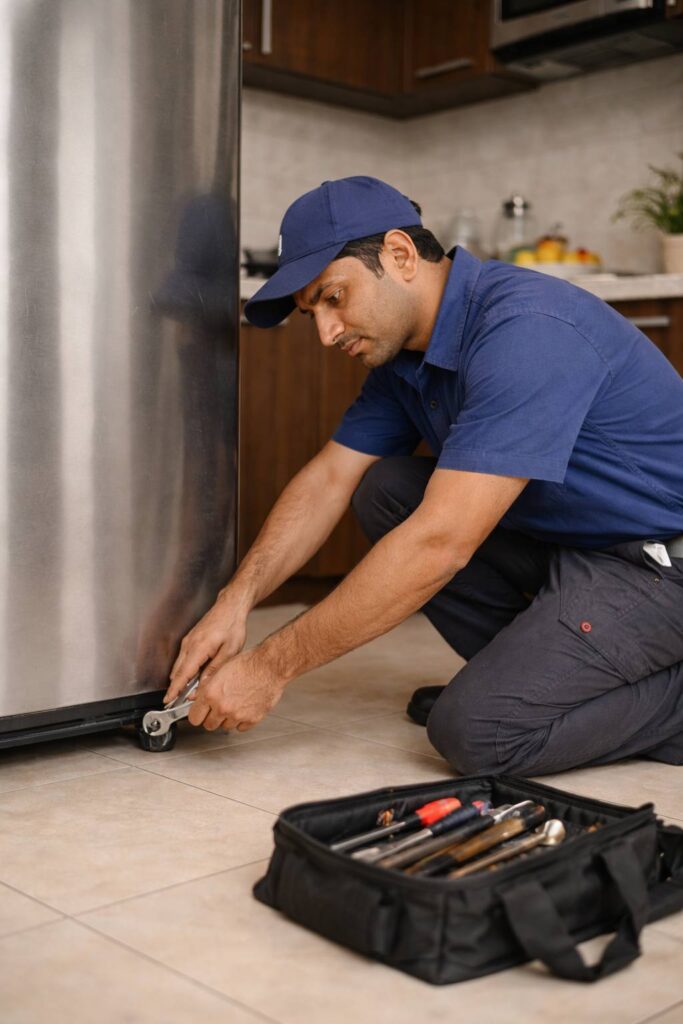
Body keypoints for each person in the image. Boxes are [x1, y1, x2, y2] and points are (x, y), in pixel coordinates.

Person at [163, 175, 683, 777]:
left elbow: (440, 543)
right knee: (388, 490)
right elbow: (329, 479)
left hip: (659, 564)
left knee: (478, 732)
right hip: (581, 547)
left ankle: (559, 700)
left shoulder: (527, 331)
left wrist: (270, 667)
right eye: (312, 314)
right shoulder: (405, 358)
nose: (327, 333)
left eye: (334, 297)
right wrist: (237, 600)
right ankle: (539, 685)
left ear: (400, 255)